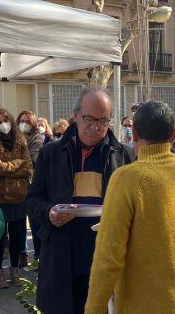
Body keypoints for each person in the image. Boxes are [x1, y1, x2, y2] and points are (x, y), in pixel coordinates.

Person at [84, 101, 175, 314]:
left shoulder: (127, 178)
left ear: (133, 134)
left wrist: (94, 309)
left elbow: (108, 255)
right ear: (173, 135)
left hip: (149, 304)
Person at [26, 87, 134, 314]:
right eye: (89, 119)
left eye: (103, 121)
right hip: (61, 252)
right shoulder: (51, 153)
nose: (95, 127)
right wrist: (49, 213)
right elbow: (33, 199)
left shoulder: (123, 155)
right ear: (75, 116)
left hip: (105, 253)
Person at [0, 107, 33, 288]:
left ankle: (14, 270)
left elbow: (28, 166)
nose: (3, 124)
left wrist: (12, 167)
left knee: (18, 236)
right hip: (0, 197)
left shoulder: (20, 140)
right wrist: (18, 165)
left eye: (5, 120)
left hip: (20, 196)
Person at [16, 110, 44, 266]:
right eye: (21, 120)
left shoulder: (36, 139)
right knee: (18, 224)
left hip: (31, 185)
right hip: (14, 188)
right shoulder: (13, 138)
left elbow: (32, 161)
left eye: (27, 121)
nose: (23, 123)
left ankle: (39, 256)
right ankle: (21, 255)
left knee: (35, 223)